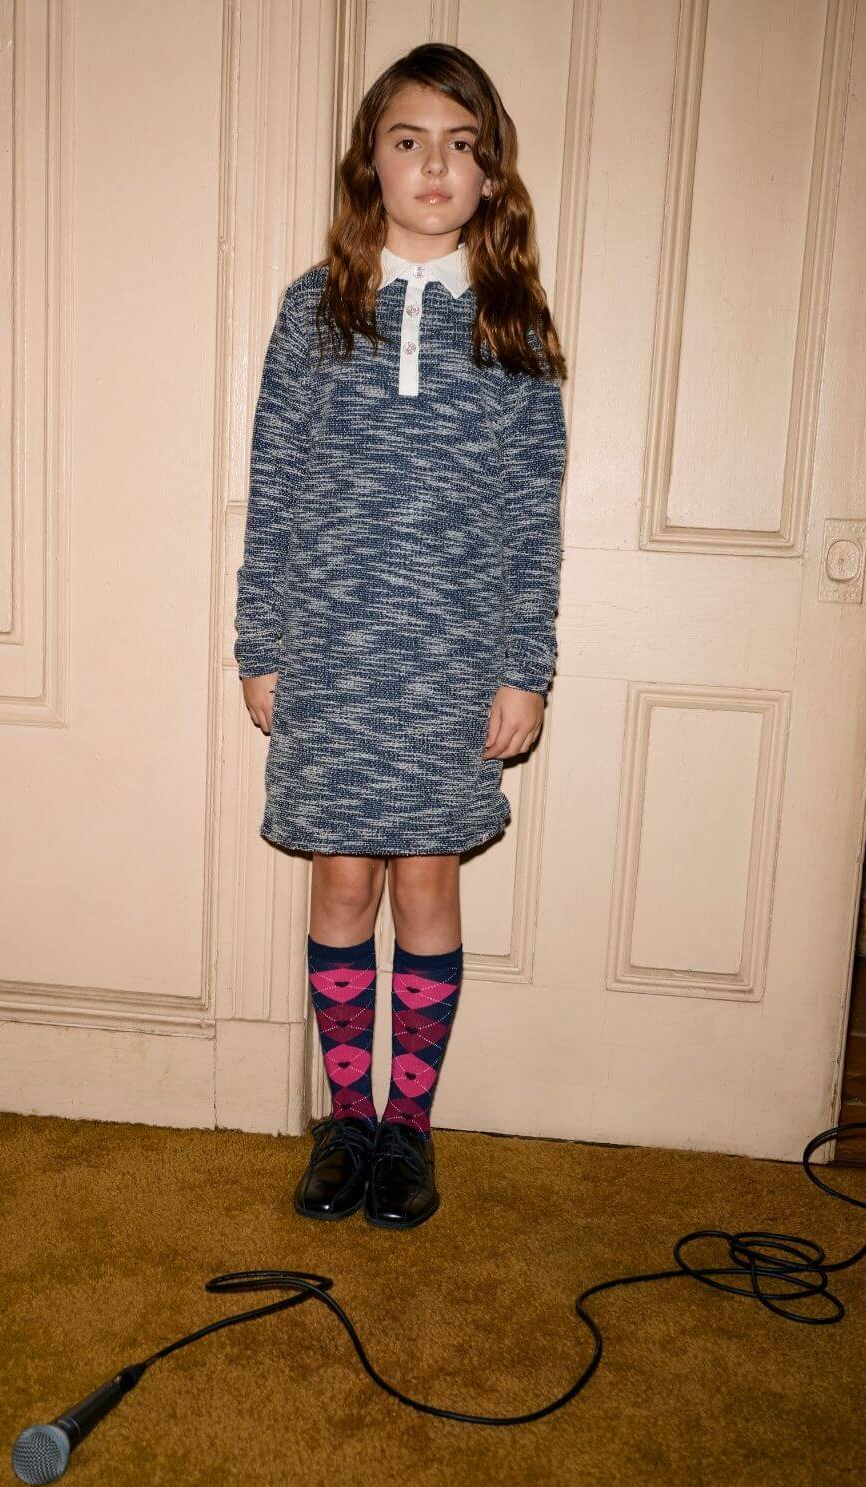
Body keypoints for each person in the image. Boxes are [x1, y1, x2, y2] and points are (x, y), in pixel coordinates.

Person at [234, 43, 568, 1229]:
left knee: (426, 884)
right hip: (330, 653)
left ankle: (409, 1131)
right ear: (369, 163)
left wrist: (525, 667)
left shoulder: (513, 326)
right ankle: (347, 1120)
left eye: (460, 146)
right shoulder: (313, 311)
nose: (434, 166)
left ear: (489, 174)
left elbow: (532, 512)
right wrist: (260, 645)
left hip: (453, 667)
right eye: (409, 140)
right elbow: (275, 487)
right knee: (339, 882)